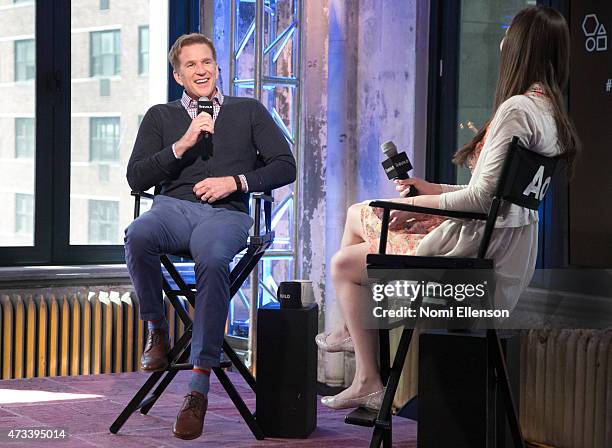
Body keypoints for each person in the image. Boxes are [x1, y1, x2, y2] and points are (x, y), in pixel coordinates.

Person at [316, 5, 579, 410]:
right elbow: (492, 196)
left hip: (475, 256)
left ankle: (365, 366)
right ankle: (356, 343)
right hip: (507, 249)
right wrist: (432, 188)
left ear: (523, 47)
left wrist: (421, 204)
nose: (503, 40)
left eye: (510, 34)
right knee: (356, 219)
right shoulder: (552, 114)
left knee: (342, 263)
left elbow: (480, 200)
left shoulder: (517, 110)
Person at [124, 33, 296, 439]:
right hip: (173, 210)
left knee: (213, 257)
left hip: (226, 215)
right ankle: (157, 330)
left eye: (207, 62)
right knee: (138, 234)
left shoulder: (248, 111)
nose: (200, 70)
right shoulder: (160, 116)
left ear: (217, 67)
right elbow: (137, 177)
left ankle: (197, 387)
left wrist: (235, 182)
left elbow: (285, 166)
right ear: (178, 75)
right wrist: (182, 144)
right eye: (190, 65)